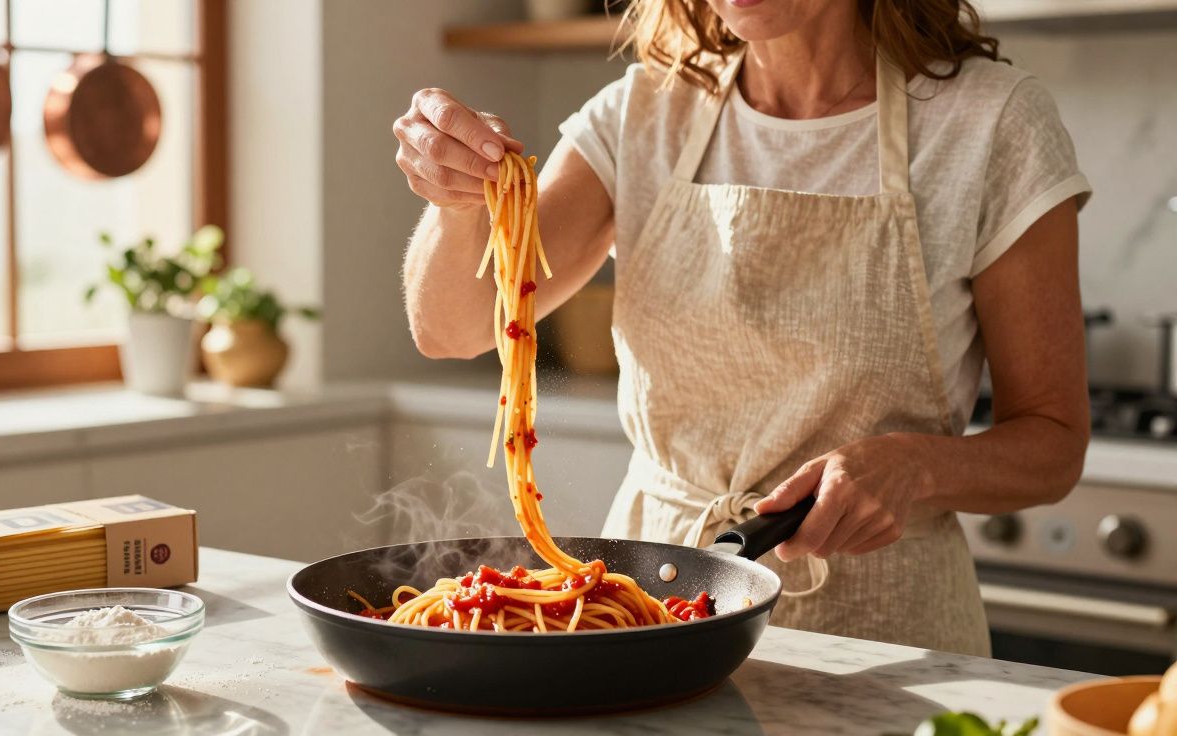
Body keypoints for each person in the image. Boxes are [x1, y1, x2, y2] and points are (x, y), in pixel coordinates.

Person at [394, 0, 1091, 656]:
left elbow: (1053, 443)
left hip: (884, 637)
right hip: (655, 613)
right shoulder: (642, 115)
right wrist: (456, 202)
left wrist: (917, 466)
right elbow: (449, 328)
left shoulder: (991, 123)